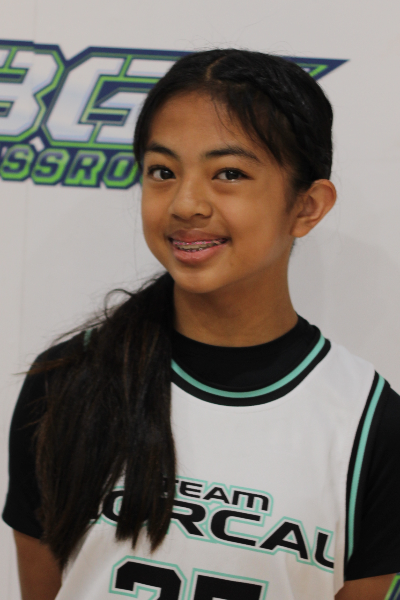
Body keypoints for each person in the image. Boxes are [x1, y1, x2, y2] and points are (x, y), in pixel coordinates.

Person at [3, 49, 400, 600]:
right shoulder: (66, 382)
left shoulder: (370, 424)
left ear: (307, 206)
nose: (186, 203)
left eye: (229, 173)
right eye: (163, 172)